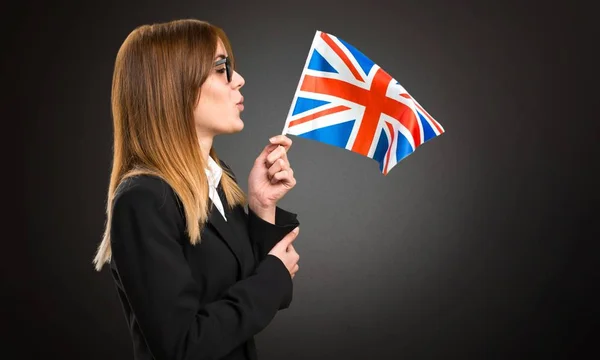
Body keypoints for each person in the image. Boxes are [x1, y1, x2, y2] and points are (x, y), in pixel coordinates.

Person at [92, 18, 301, 360]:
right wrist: (274, 276)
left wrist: (262, 206)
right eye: (221, 69)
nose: (238, 80)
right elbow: (182, 348)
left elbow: (251, 289)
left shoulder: (219, 182)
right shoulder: (143, 200)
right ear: (174, 88)